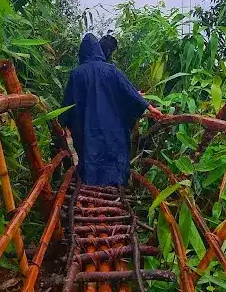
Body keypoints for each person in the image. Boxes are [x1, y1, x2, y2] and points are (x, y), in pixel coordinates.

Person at [60, 33, 162, 186]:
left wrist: (61, 123)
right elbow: (129, 91)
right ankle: (115, 186)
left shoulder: (77, 73)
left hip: (87, 127)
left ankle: (89, 185)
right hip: (112, 127)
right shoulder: (112, 71)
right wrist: (150, 107)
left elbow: (68, 102)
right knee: (113, 153)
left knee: (90, 153)